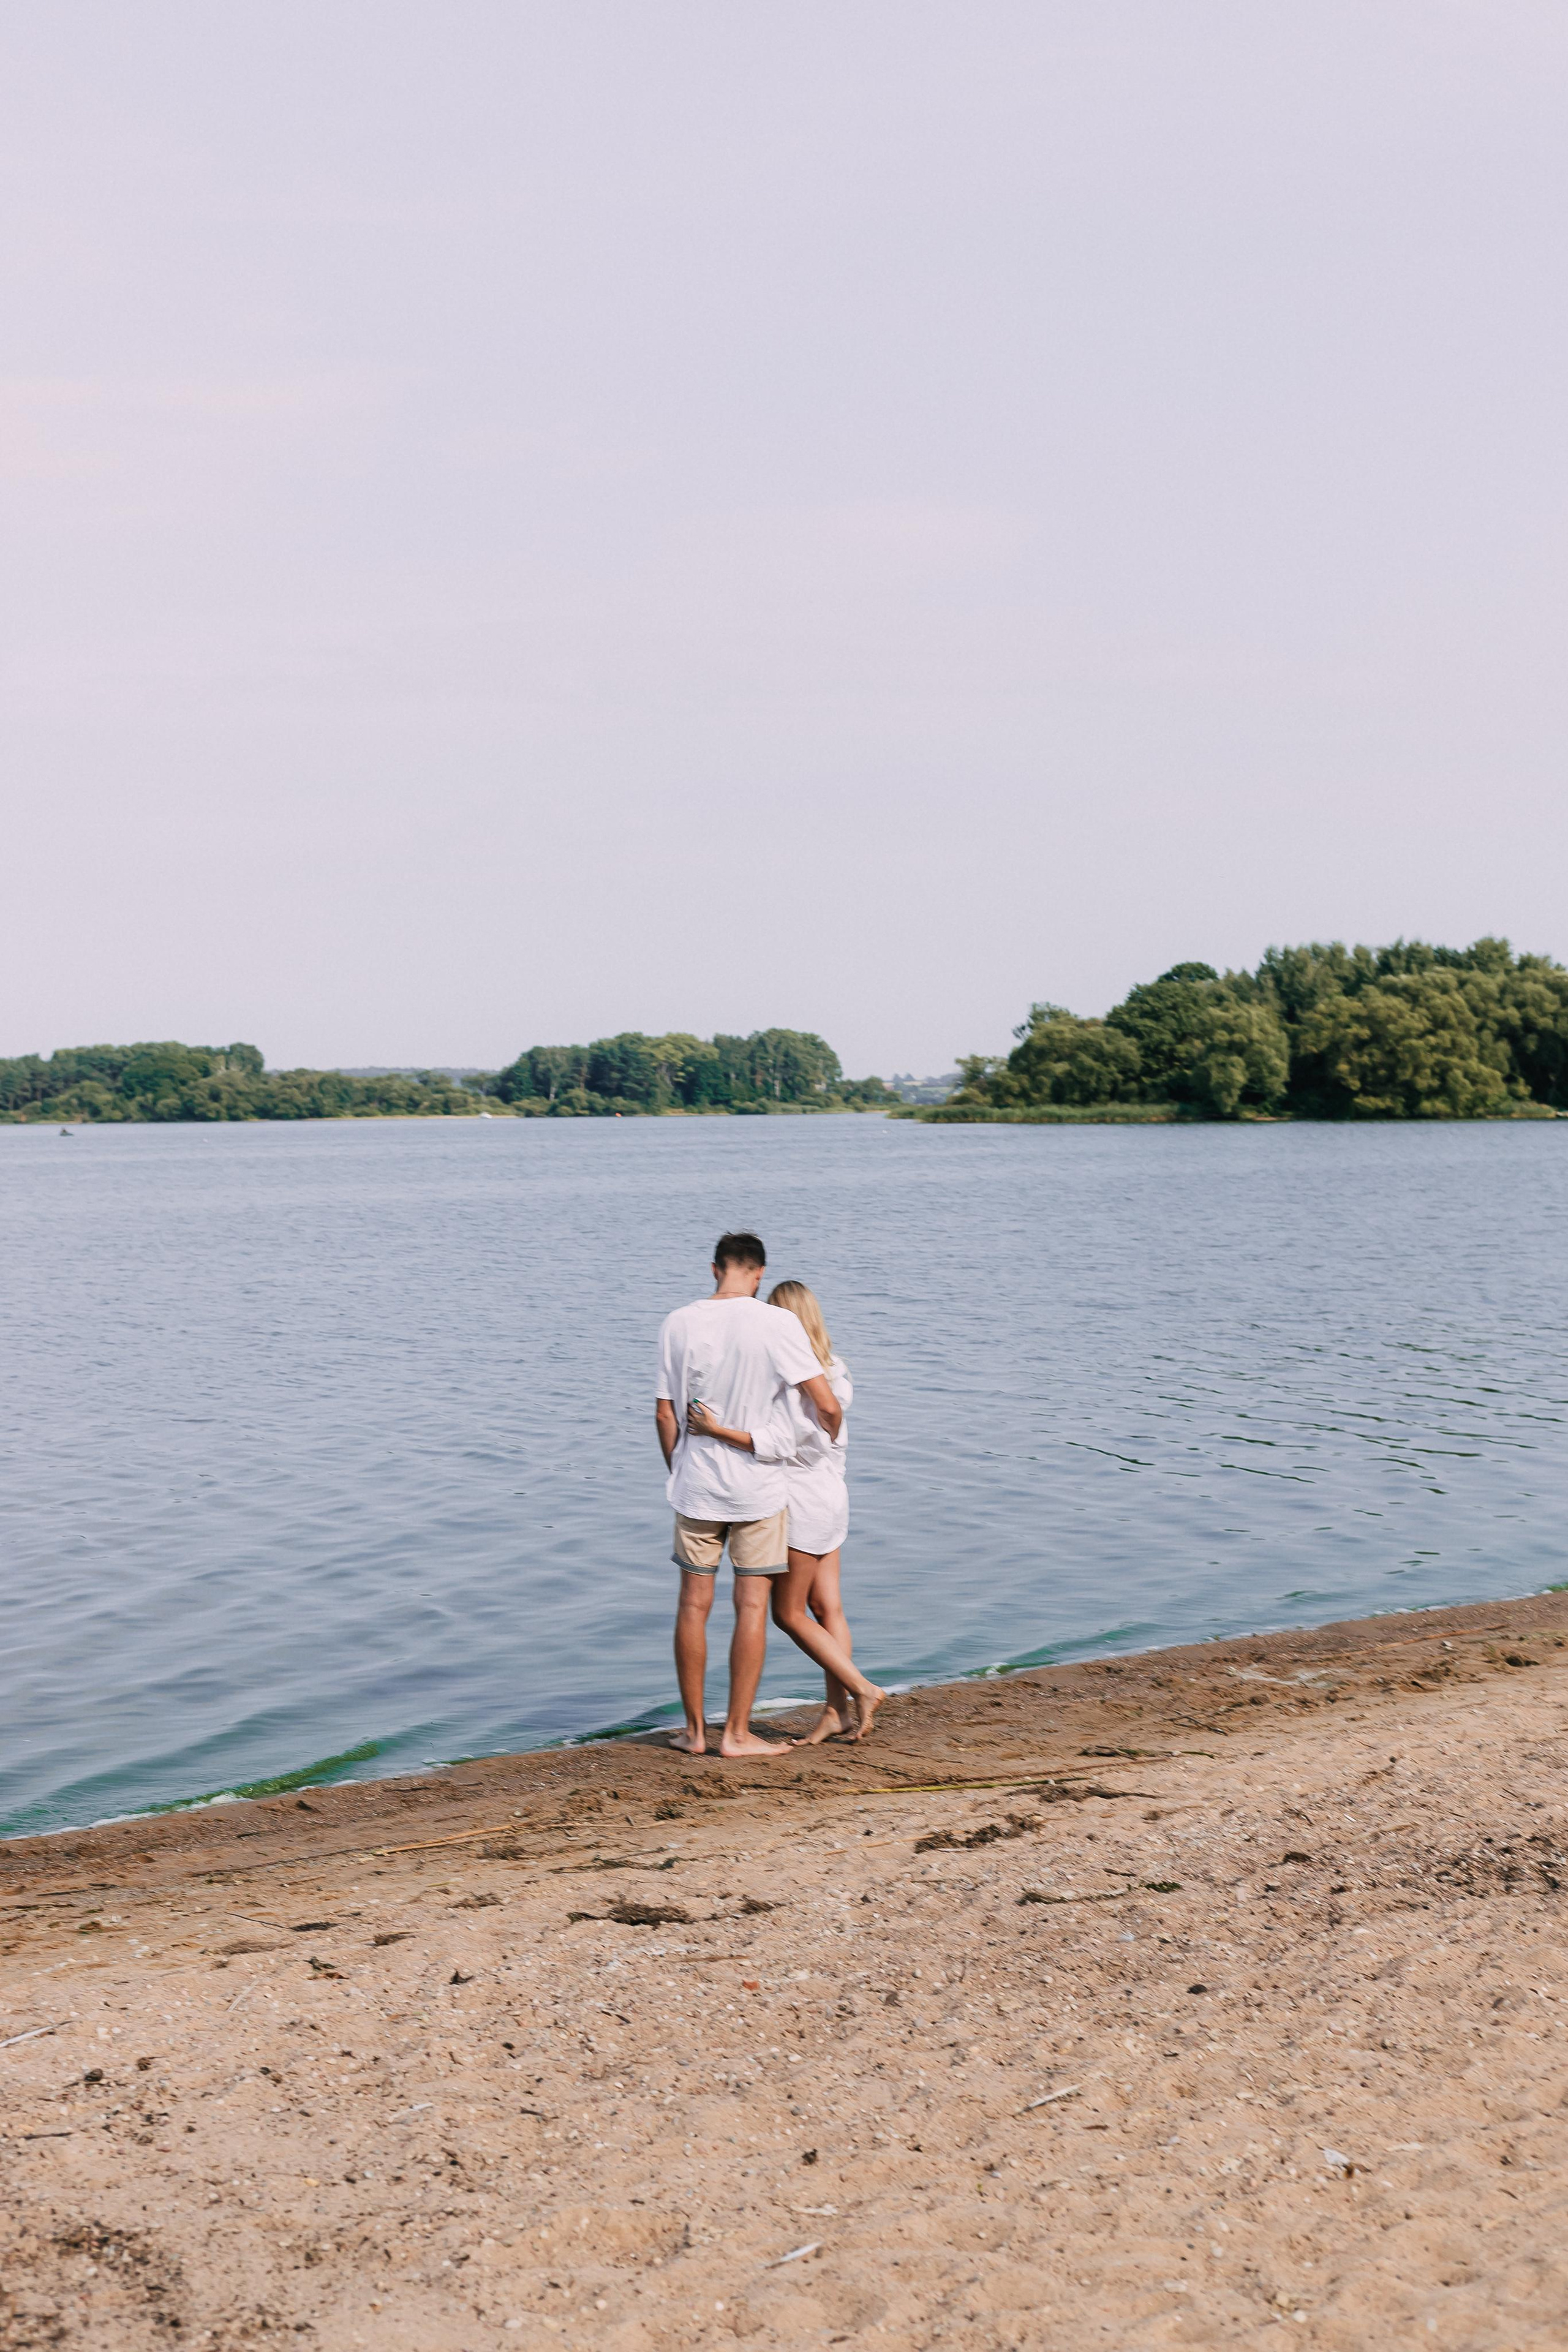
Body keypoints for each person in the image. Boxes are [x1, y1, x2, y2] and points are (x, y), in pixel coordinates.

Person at [655, 1232, 844, 1758]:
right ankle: (736, 1735)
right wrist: (830, 1440)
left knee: (693, 1605)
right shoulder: (777, 1323)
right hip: (758, 1490)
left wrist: (681, 1467)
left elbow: (665, 1414)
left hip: (696, 1488)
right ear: (759, 1273)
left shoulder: (678, 1321)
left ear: (715, 1269)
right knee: (753, 1606)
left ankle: (694, 1733)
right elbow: (824, 1403)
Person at [687, 1279, 885, 1744]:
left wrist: (716, 1431)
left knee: (788, 1614)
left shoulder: (792, 1387)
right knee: (827, 1606)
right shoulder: (835, 1369)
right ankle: (836, 1712)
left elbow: (776, 1443)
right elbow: (829, 1424)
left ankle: (862, 1689)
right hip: (833, 1495)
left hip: (800, 1503)